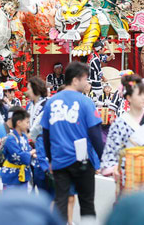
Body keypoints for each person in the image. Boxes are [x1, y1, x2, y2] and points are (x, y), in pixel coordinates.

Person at [41, 60, 104, 222]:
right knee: (87, 202)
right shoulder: (85, 102)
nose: (87, 83)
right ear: (75, 80)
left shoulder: (52, 102)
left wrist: (50, 159)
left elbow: (46, 134)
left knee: (61, 200)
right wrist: (104, 158)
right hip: (82, 160)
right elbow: (95, 134)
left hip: (59, 160)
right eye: (85, 79)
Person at [101, 74, 144, 196]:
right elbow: (111, 150)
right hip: (126, 173)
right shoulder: (119, 123)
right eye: (139, 95)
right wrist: (113, 168)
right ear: (128, 97)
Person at [0, 108, 34, 190]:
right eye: (27, 122)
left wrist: (32, 153)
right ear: (19, 123)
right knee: (10, 201)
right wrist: (31, 153)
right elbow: (17, 155)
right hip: (12, 175)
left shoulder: (24, 136)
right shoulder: (10, 138)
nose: (28, 125)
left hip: (23, 173)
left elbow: (27, 150)